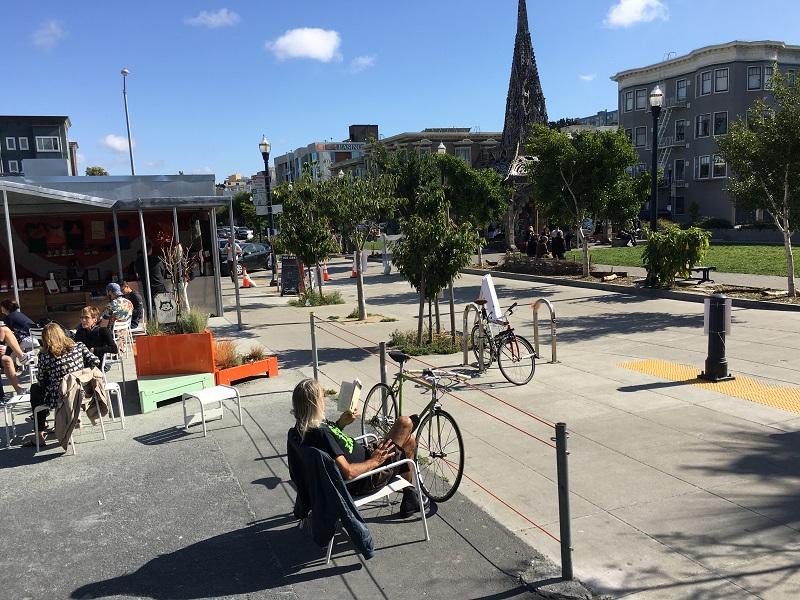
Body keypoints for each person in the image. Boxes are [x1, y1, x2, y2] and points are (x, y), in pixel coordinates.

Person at [292, 378, 424, 516]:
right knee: (405, 422)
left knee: (409, 441)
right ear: (315, 403)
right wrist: (375, 460)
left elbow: (330, 445)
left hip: (368, 457)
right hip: (368, 476)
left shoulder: (307, 428)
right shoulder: (320, 433)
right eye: (322, 396)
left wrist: (340, 424)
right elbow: (348, 473)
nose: (324, 399)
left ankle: (410, 498)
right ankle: (411, 495)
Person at [27, 323, 100, 447]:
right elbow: (96, 361)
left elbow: (41, 379)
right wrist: (80, 372)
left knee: (35, 389)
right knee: (39, 390)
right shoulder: (79, 346)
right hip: (83, 391)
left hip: (61, 396)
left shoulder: (45, 355)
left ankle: (39, 434)